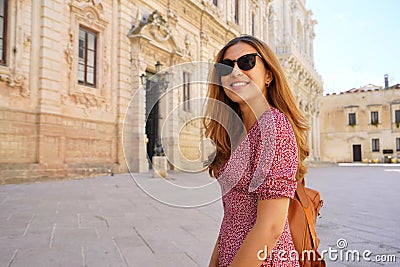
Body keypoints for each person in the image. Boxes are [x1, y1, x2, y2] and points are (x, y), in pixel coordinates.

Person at [203, 35, 309, 267]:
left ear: (268, 75)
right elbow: (231, 217)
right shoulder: (235, 133)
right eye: (226, 66)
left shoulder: (274, 127)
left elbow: (270, 227)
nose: (235, 71)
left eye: (247, 62)